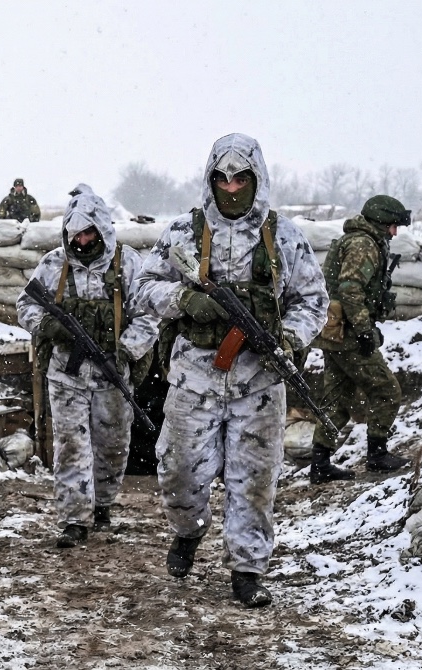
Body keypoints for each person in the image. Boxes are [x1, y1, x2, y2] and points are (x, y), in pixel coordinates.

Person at [133, 133, 327, 607]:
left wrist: (287, 337)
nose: (232, 187)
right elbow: (141, 287)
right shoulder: (183, 232)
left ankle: (247, 569)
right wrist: (183, 299)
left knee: (256, 481)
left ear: (256, 180)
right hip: (194, 374)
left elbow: (313, 302)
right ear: (210, 180)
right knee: (179, 472)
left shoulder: (284, 238)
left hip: (259, 380)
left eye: (242, 178)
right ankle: (188, 531)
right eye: (222, 178)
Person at [17, 187, 159, 548]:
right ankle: (73, 519)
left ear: (101, 230)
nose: (81, 241)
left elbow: (148, 316)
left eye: (87, 233)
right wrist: (50, 327)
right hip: (66, 373)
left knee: (112, 445)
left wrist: (125, 351)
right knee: (71, 446)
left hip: (112, 373)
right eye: (75, 234)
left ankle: (102, 505)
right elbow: (26, 305)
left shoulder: (127, 264)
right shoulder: (54, 265)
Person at [308, 195, 411, 483]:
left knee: (336, 400)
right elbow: (351, 289)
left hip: (336, 333)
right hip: (349, 335)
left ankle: (320, 463)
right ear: (379, 222)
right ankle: (378, 455)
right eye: (392, 226)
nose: (394, 232)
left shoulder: (357, 240)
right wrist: (365, 329)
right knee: (387, 390)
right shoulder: (364, 245)